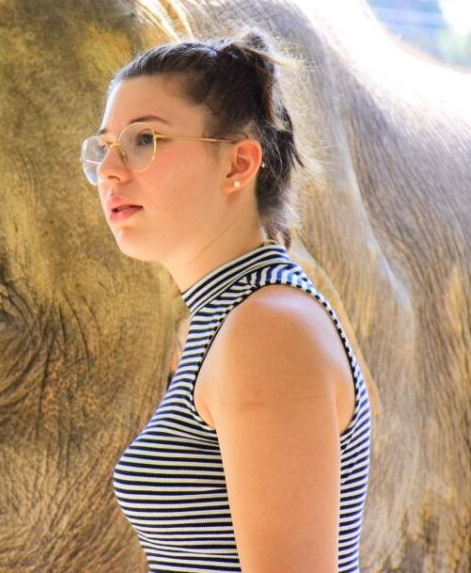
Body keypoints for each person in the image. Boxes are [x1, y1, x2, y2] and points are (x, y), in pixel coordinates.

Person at [80, 29, 373, 572]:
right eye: (104, 148)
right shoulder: (222, 319)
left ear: (239, 164)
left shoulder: (267, 327)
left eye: (144, 140)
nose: (111, 173)